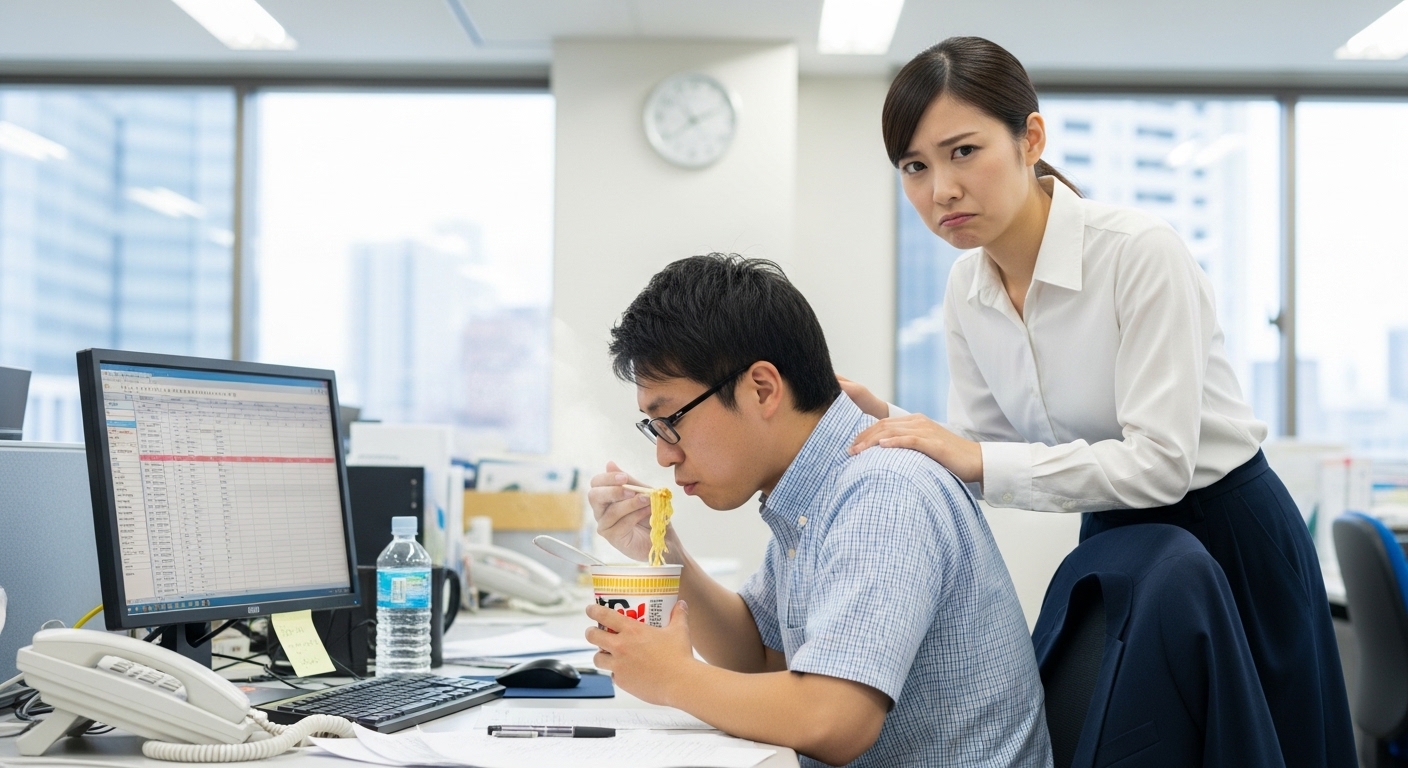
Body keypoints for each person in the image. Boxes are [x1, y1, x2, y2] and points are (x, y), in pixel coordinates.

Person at [839, 36, 1355, 768]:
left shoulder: (1138, 252)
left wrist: (972, 456)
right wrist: (896, 427)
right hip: (1114, 538)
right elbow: (985, 445)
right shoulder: (966, 288)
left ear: (1031, 139)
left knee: (1264, 748)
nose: (940, 190)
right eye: (914, 167)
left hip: (1228, 533)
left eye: (963, 152)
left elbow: (1160, 464)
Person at [586, 254, 1051, 768]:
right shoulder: (817, 486)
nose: (664, 455)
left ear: (762, 389)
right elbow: (761, 656)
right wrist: (668, 555)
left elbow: (834, 720)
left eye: (670, 420)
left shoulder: (882, 492)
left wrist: (674, 678)